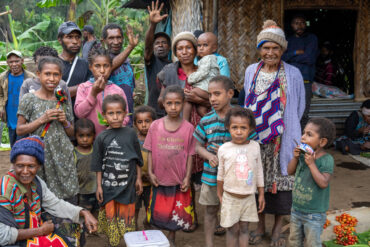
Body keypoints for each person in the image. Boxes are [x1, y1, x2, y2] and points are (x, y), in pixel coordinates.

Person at [244, 20, 305, 247]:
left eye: (275, 48)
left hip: (282, 138)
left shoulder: (293, 73)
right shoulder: (252, 70)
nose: (270, 53)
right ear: (259, 49)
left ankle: (278, 228)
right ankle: (260, 226)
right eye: (265, 48)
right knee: (257, 183)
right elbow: (248, 104)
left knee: (281, 183)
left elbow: (298, 108)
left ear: (282, 50)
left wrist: (283, 129)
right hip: (256, 138)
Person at [0, 136, 98, 247]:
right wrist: (40, 231)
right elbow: (2, 236)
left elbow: (55, 204)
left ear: (39, 166)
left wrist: (84, 212)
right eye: (20, 166)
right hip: (14, 241)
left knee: (74, 228)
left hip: (32, 230)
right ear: (13, 164)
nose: (25, 171)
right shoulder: (5, 190)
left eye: (31, 166)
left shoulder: (36, 183)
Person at [157, 31, 210, 233]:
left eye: (189, 47)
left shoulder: (204, 71)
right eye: (180, 48)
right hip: (179, 127)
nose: (185, 51)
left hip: (203, 126)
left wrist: (198, 99)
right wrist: (178, 98)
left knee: (205, 173)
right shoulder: (169, 72)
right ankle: (189, 215)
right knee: (184, 172)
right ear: (175, 51)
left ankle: (217, 216)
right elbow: (160, 101)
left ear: (196, 50)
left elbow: (215, 98)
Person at [17, 56, 79, 201]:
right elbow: (20, 130)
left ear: (60, 77)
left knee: (67, 194)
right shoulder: (29, 99)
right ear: (38, 75)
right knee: (41, 195)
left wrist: (64, 122)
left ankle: (66, 222)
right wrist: (42, 120)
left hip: (62, 155)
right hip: (41, 156)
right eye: (47, 74)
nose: (51, 78)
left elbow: (71, 132)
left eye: (56, 74)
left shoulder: (62, 99)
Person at [144, 85, 195, 247]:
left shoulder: (188, 128)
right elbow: (150, 151)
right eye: (169, 103)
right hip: (159, 178)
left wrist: (187, 177)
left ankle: (171, 239)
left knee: (175, 213)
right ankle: (157, 240)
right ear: (163, 104)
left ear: (183, 103)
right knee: (158, 211)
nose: (173, 107)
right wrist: (151, 173)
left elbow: (190, 155)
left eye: (177, 103)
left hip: (178, 180)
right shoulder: (155, 126)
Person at [91, 94, 143, 247]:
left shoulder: (131, 134)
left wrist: (139, 179)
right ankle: (112, 243)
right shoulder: (101, 137)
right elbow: (98, 164)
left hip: (128, 187)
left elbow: (137, 159)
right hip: (109, 188)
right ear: (104, 116)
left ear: (125, 113)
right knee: (111, 219)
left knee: (127, 220)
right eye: (111, 113)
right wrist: (99, 186)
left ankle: (128, 242)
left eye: (119, 113)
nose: (115, 117)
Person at [193, 76, 234, 247]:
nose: (213, 99)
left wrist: (229, 151)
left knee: (232, 214)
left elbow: (251, 144)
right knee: (210, 211)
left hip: (234, 177)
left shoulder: (240, 117)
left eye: (217, 94)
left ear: (230, 93)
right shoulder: (206, 119)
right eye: (210, 95)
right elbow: (197, 146)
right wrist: (209, 156)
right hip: (211, 176)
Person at [217, 107, 265, 247]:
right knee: (232, 230)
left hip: (248, 198)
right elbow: (220, 174)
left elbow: (259, 171)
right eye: (235, 127)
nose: (239, 131)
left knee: (244, 229)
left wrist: (261, 194)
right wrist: (220, 195)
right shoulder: (224, 149)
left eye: (243, 127)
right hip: (230, 198)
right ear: (228, 127)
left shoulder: (255, 147)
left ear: (250, 129)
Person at [288, 117, 336, 247]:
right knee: (294, 241)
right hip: (296, 209)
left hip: (314, 214)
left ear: (322, 142)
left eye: (309, 135)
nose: (303, 137)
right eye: (303, 133)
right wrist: (295, 158)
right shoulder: (303, 156)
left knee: (312, 243)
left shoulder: (327, 159)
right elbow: (290, 171)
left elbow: (323, 183)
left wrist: (311, 164)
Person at [74, 47, 129, 136]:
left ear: (111, 67)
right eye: (97, 66)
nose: (102, 70)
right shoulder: (83, 88)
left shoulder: (117, 90)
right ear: (90, 67)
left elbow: (126, 115)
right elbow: (79, 114)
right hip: (90, 140)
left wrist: (115, 125)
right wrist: (93, 94)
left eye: (106, 66)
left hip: (113, 137)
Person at [282, 14, 318, 128]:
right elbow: (282, 58)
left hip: (306, 81)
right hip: (289, 81)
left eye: (302, 22)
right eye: (296, 23)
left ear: (306, 24)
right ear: (292, 25)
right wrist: (295, 53)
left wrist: (290, 57)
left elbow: (310, 58)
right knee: (288, 111)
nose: (299, 25)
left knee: (303, 112)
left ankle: (300, 139)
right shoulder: (287, 40)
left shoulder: (311, 38)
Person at [102, 23, 139, 125]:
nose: (116, 42)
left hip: (127, 116)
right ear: (104, 40)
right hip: (111, 119)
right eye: (111, 38)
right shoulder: (102, 59)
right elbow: (109, 67)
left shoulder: (127, 61)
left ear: (123, 38)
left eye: (119, 37)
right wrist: (130, 47)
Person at [0, 50, 35, 147]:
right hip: (11, 117)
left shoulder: (30, 77)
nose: (14, 64)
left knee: (24, 146)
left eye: (17, 61)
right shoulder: (3, 77)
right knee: (14, 145)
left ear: (22, 61)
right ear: (7, 63)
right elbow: (1, 94)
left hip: (25, 118)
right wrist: (1, 107)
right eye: (11, 62)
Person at [145, 0, 171, 118]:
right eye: (157, 43)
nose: (160, 45)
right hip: (153, 113)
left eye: (164, 43)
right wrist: (153, 25)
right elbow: (147, 47)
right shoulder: (152, 61)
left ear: (169, 47)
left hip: (170, 112)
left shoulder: (174, 65)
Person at [57, 21, 92, 108]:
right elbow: (50, 93)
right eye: (69, 37)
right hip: (57, 115)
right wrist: (82, 87)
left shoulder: (86, 64)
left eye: (78, 37)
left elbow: (92, 88)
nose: (75, 41)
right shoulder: (52, 64)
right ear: (60, 40)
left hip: (80, 115)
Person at [133, 105, 156, 230]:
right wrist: (138, 176)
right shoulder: (133, 140)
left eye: (147, 121)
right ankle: (134, 229)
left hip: (151, 182)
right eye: (140, 122)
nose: (144, 125)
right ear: (135, 124)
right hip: (136, 183)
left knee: (150, 207)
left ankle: (148, 224)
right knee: (135, 208)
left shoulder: (156, 140)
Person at [184, 45, 219, 120]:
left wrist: (191, 78)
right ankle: (211, 121)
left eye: (205, 45)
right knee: (201, 110)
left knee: (189, 95)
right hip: (208, 87)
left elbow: (203, 72)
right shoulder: (205, 59)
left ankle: (185, 122)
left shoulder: (208, 58)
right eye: (199, 45)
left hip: (206, 87)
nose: (201, 48)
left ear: (214, 48)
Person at [74, 118, 97, 212]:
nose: (85, 139)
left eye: (88, 135)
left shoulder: (96, 150)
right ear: (75, 136)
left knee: (97, 214)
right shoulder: (74, 152)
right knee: (84, 215)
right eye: (81, 136)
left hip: (97, 190)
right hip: (81, 192)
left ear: (94, 136)